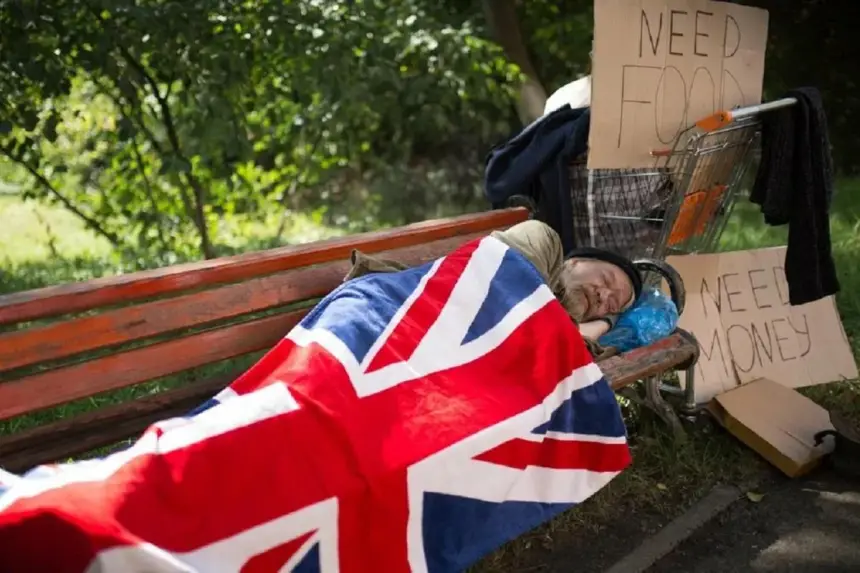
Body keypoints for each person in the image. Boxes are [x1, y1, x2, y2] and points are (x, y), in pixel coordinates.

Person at [345, 219, 642, 344]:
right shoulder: (543, 239)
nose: (603, 296)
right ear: (576, 261)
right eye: (606, 280)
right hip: (386, 315)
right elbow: (506, 296)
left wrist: (606, 324)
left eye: (611, 304)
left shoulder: (561, 331)